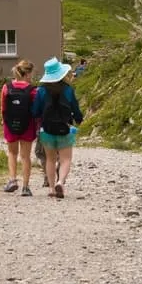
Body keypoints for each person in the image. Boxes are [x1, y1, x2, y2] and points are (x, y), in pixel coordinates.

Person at [32, 57, 83, 198]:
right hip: (65, 128)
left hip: (46, 129)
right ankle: (60, 181)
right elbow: (76, 109)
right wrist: (79, 119)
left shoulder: (41, 91)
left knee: (50, 159)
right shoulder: (68, 90)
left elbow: (35, 111)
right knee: (65, 159)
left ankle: (52, 189)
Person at [0, 60, 37, 196]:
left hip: (10, 124)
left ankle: (12, 180)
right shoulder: (33, 90)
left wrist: (4, 122)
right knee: (25, 156)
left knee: (12, 153)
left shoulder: (6, 87)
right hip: (28, 125)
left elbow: (3, 107)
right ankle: (26, 187)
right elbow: (36, 110)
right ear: (27, 73)